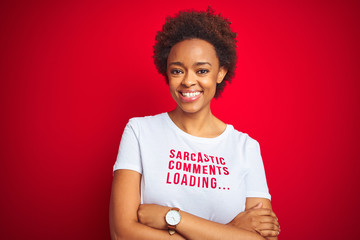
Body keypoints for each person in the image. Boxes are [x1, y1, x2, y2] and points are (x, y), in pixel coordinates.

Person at [110, 7, 280, 240]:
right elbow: (122, 233)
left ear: (220, 73)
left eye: (201, 70)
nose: (189, 81)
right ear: (167, 74)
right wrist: (230, 231)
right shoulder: (139, 131)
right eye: (178, 71)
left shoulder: (245, 147)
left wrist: (172, 217)